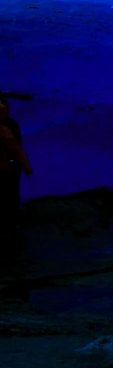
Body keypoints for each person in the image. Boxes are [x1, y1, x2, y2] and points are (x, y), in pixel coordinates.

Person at [0, 97, 30, 260]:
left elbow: (16, 147)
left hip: (9, 167)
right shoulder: (10, 125)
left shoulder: (10, 126)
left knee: (9, 198)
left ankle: (11, 230)